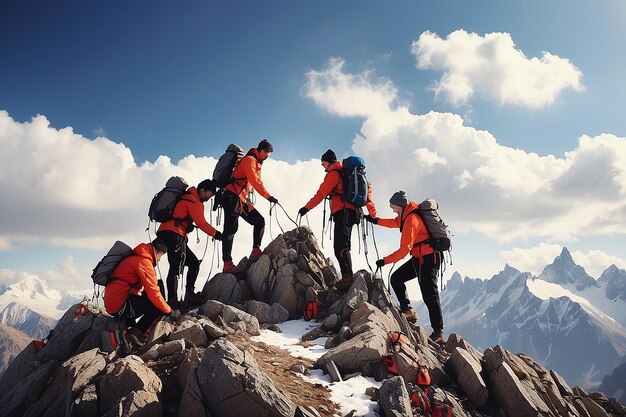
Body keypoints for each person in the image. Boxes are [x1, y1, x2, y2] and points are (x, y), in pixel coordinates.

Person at [369, 190, 444, 344]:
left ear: (400, 205)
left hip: (428, 258)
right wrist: (375, 221)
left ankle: (438, 333)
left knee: (430, 294)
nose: (392, 210)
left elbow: (404, 250)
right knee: (396, 278)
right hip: (419, 257)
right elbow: (392, 223)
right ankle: (408, 311)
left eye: (393, 207)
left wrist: (384, 260)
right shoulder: (405, 216)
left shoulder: (411, 220)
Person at [298, 149, 377, 290]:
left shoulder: (334, 174)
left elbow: (321, 194)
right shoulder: (347, 173)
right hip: (353, 213)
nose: (323, 167)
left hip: (343, 213)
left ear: (328, 162)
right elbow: (368, 193)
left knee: (340, 246)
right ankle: (348, 276)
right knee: (344, 244)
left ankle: (347, 278)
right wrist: (373, 214)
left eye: (323, 164)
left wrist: (306, 208)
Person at [104, 238, 180, 346]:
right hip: (119, 306)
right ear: (156, 252)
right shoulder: (144, 262)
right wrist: (170, 311)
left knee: (148, 298)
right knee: (156, 305)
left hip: (114, 302)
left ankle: (129, 326)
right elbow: (154, 293)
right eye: (160, 257)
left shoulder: (136, 258)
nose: (159, 261)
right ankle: (135, 333)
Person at [157, 179, 223, 303]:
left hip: (167, 232)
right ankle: (173, 300)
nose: (210, 198)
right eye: (210, 194)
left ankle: (184, 295)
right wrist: (217, 234)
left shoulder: (187, 197)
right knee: (176, 266)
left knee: (192, 263)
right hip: (174, 233)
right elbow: (201, 223)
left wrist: (187, 225)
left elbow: (180, 215)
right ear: (202, 190)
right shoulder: (193, 200)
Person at [221, 139, 278, 272]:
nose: (267, 157)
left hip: (240, 198)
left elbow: (256, 181)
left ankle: (255, 251)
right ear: (262, 151)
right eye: (267, 154)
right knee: (230, 229)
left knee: (259, 221)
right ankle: (227, 264)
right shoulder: (250, 161)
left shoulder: (256, 162)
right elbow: (254, 180)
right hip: (231, 197)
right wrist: (268, 196)